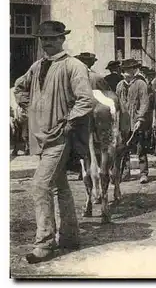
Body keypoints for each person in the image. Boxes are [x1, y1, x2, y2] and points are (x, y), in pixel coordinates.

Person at [14, 21, 94, 263]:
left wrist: (69, 121)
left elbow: (86, 100)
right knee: (59, 186)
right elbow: (19, 87)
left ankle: (44, 244)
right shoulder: (37, 66)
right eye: (43, 39)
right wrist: (31, 107)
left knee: (40, 185)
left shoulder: (73, 66)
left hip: (60, 137)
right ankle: (70, 237)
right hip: (41, 137)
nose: (47, 42)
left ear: (62, 39)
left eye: (52, 38)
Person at [116, 58, 150, 184]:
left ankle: (143, 173)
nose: (127, 72)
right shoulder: (119, 85)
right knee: (123, 147)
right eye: (125, 70)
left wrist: (140, 118)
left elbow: (144, 102)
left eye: (130, 70)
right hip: (123, 121)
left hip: (136, 120)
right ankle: (125, 172)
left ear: (134, 70)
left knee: (141, 147)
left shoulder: (141, 84)